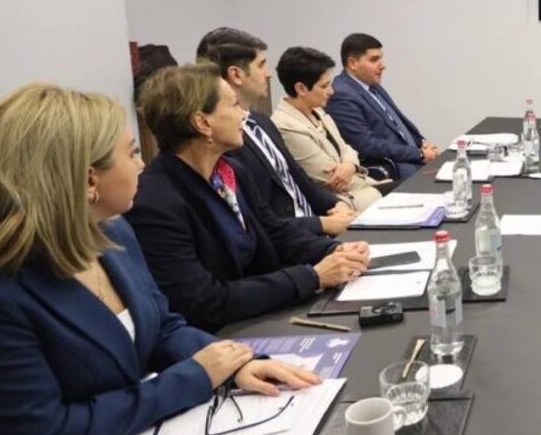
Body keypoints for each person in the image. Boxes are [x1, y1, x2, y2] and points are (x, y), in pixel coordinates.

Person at [0, 83, 319, 435]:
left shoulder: (113, 231)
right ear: (90, 179)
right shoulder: (2, 289)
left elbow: (162, 326)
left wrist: (235, 363)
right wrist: (194, 378)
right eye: (131, 154)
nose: (144, 164)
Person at [126, 63, 370, 332]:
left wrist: (334, 251)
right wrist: (313, 277)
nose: (244, 114)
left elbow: (275, 233)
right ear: (202, 122)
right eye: (233, 106)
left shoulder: (232, 171)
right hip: (224, 337)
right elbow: (204, 302)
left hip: (264, 315)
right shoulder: (156, 202)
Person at [196, 27, 355, 237]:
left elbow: (299, 180)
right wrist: (322, 225)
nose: (269, 74)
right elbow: (262, 220)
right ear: (236, 74)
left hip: (316, 231)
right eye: (261, 65)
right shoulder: (224, 142)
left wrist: (337, 205)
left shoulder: (261, 122)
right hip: (292, 243)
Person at [272, 46, 388, 212]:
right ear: (301, 89)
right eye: (324, 86)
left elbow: (348, 149)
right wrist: (378, 186)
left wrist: (350, 165)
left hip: (361, 188)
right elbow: (331, 178)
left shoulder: (318, 111)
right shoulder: (285, 126)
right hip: (341, 202)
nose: (331, 91)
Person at [326, 32, 437, 180]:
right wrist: (419, 154)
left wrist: (422, 143)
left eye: (381, 58)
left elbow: (398, 123)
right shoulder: (341, 95)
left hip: (409, 157)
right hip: (391, 165)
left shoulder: (371, 85)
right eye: (374, 60)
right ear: (353, 63)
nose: (383, 66)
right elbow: (366, 146)